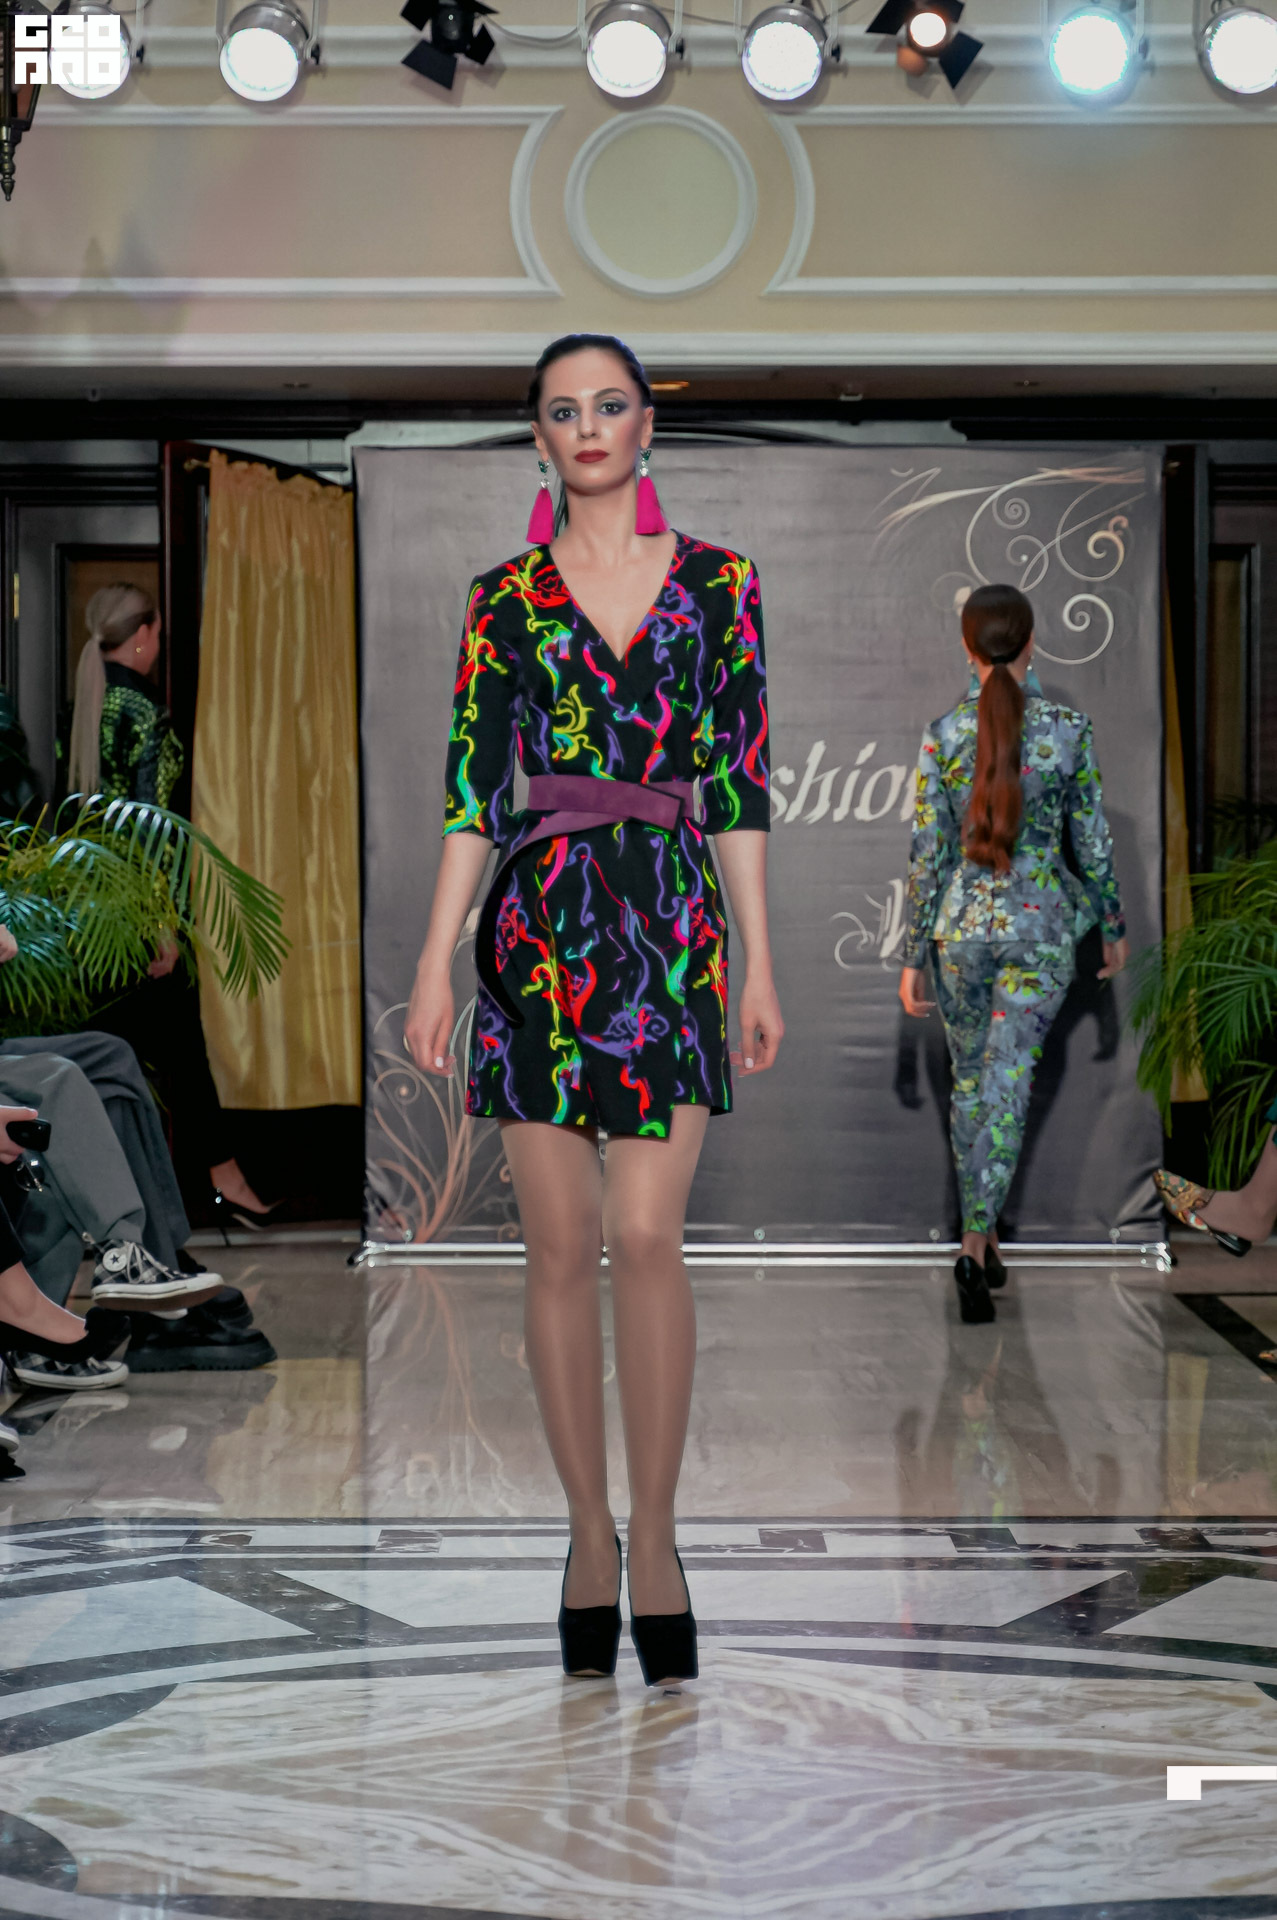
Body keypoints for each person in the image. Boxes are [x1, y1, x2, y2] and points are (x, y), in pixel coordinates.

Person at [404, 333, 781, 1688]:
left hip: (671, 928)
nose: (588, 427)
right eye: (562, 411)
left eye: (610, 405)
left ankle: (659, 1539)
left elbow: (737, 783)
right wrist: (434, 960)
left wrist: (758, 959)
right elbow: (472, 791)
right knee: (558, 1249)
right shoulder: (500, 597)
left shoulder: (723, 585)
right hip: (538, 936)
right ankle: (585, 1538)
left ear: (645, 427)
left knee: (644, 1233)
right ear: (538, 437)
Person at [899, 582, 1128, 1325]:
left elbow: (927, 856)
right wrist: (1113, 924)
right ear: (1031, 643)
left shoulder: (943, 734)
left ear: (966, 648)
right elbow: (1091, 840)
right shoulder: (1068, 730)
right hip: (1041, 929)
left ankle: (978, 1239)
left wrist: (911, 954)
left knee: (974, 1085)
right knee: (1002, 1082)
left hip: (959, 932)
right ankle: (977, 1243)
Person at [65, 582, 273, 1227]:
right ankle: (214, 1182)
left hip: (89, 916)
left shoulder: (88, 702)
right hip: (141, 917)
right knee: (177, 1050)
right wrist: (161, 924)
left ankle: (159, 1192)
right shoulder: (144, 710)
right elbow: (149, 824)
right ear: (144, 635)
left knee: (125, 1055)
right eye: (157, 631)